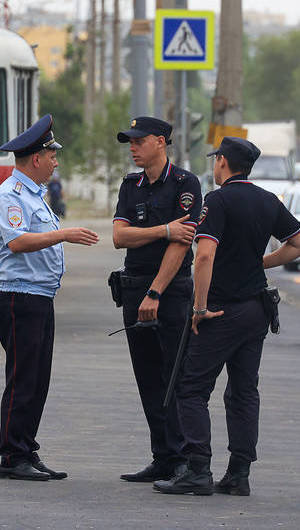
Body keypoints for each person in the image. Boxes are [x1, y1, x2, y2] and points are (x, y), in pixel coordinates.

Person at [153, 136, 300, 496]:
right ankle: (239, 473)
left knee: (191, 388)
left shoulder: (218, 200)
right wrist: (261, 262)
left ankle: (197, 469)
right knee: (243, 391)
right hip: (256, 309)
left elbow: (205, 256)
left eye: (215, 159)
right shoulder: (268, 201)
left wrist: (200, 308)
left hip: (221, 310)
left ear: (222, 162)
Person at [0, 114, 100, 481]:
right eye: (52, 155)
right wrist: (64, 234)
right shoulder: (11, 195)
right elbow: (18, 242)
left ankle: (26, 447)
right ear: (36, 159)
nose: (56, 162)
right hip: (19, 298)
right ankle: (12, 457)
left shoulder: (35, 195)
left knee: (38, 380)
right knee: (23, 379)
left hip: (38, 297)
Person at [112, 116, 202, 484]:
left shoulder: (185, 184)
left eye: (139, 140)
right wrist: (163, 230)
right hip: (134, 289)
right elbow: (119, 237)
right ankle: (162, 456)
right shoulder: (130, 184)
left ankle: (183, 458)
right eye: (129, 142)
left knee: (174, 377)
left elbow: (182, 244)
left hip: (169, 292)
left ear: (161, 142)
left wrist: (156, 292)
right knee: (147, 377)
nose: (132, 147)